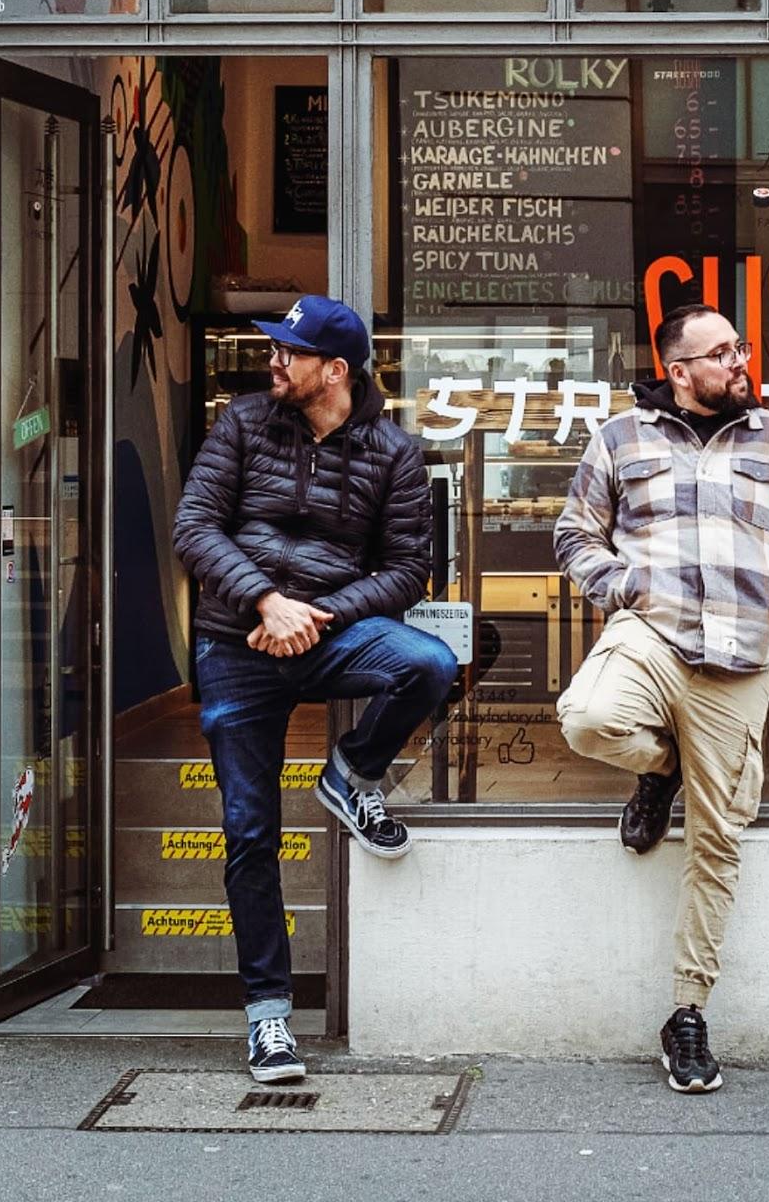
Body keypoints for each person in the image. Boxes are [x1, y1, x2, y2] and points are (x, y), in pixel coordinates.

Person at [553, 302, 769, 1094]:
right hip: (653, 633)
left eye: (740, 348)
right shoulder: (620, 438)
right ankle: (661, 765)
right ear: (678, 372)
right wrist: (625, 587)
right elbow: (575, 533)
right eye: (720, 354)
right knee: (588, 717)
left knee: (718, 839)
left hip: (740, 662)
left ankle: (686, 1013)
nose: (739, 362)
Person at [173, 294, 458, 1084]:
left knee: (429, 664)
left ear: (334, 370)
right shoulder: (240, 424)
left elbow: (407, 571)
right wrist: (268, 602)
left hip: (325, 633)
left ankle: (351, 773)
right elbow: (195, 527)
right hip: (239, 642)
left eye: (287, 353)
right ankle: (270, 1019)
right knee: (248, 830)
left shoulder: (394, 452)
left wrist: (319, 615)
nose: (273, 362)